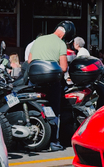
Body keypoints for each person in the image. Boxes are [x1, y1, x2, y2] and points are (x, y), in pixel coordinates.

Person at [28, 20, 75, 152]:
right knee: (55, 111)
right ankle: (54, 142)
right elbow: (64, 67)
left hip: (34, 81)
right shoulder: (61, 43)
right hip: (52, 83)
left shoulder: (39, 40)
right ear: (66, 35)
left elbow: (30, 61)